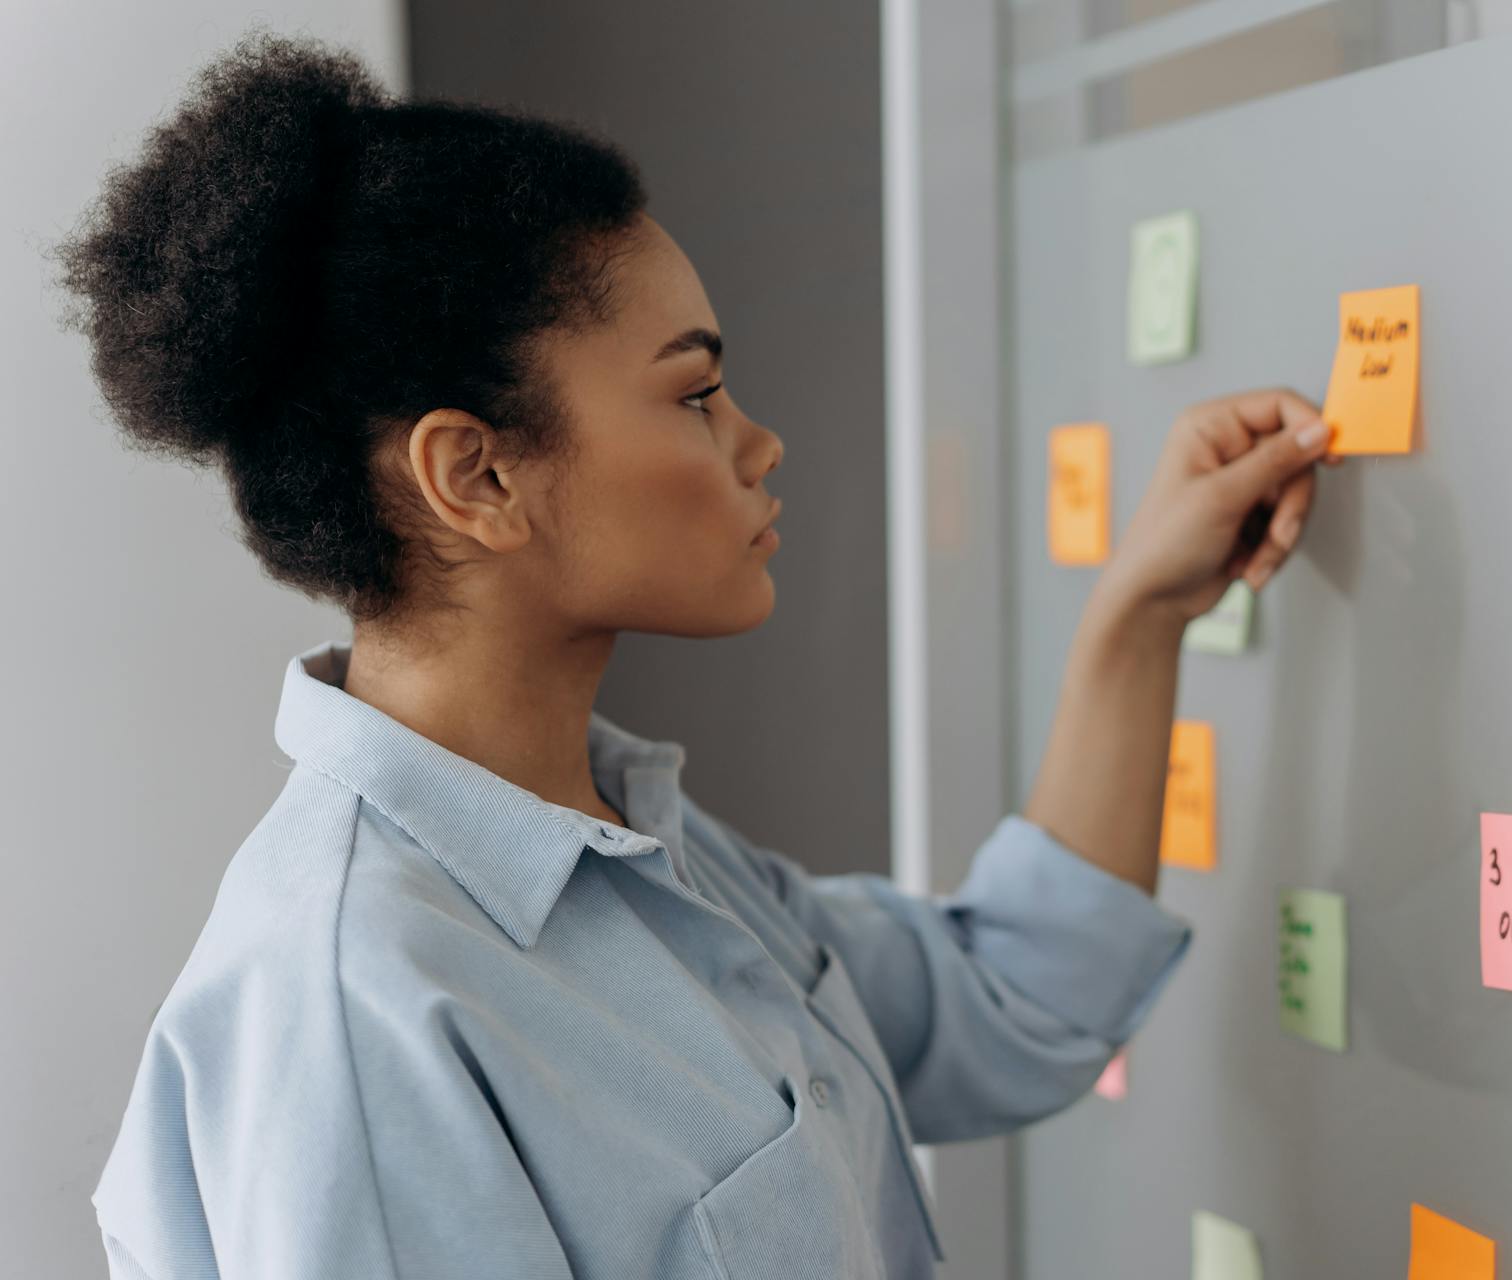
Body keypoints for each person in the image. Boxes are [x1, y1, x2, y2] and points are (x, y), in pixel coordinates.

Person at [51, 27, 1331, 1280]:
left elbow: (1010, 1002)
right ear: (476, 472)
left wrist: (1145, 611)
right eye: (695, 392)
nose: (756, 441)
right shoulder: (349, 1010)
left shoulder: (635, 842)